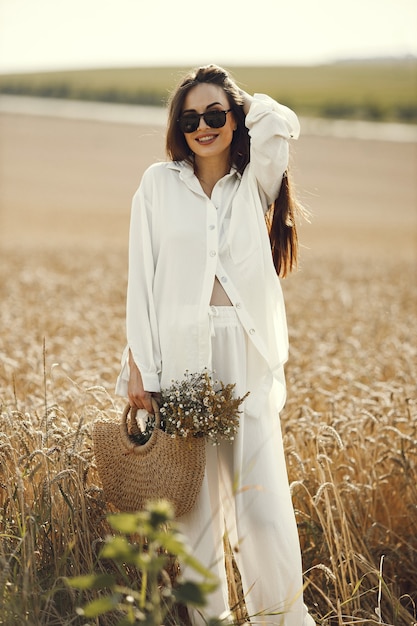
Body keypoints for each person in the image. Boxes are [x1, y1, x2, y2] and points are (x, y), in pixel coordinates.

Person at [116, 64, 314, 626]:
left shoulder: (255, 183)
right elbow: (142, 281)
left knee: (264, 508)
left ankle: (283, 619)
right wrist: (142, 370)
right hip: (182, 360)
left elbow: (283, 124)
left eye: (214, 115)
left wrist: (243, 103)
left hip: (246, 357)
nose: (203, 127)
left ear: (234, 119)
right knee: (196, 517)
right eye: (190, 118)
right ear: (177, 127)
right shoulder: (157, 184)